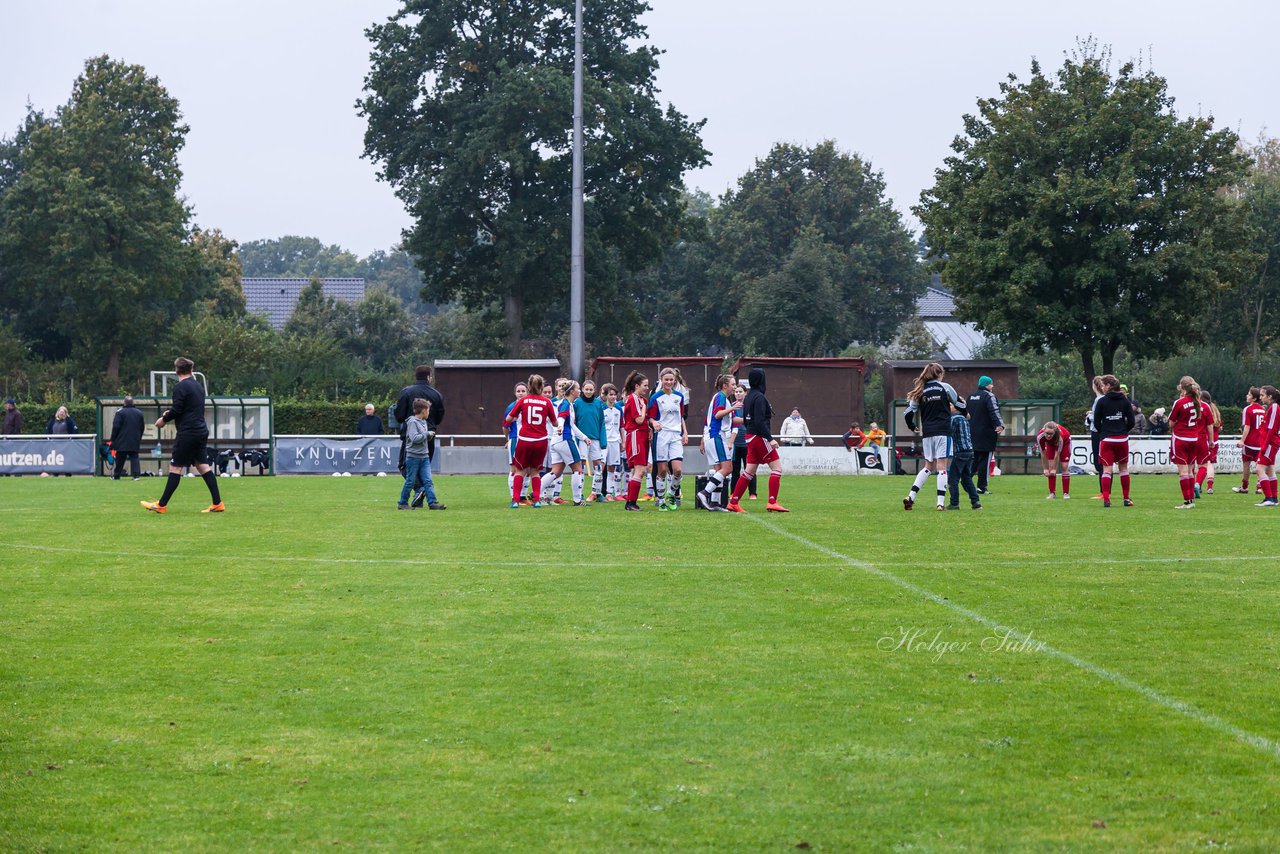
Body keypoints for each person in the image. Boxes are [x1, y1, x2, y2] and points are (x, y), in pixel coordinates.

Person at [140, 357, 224, 514]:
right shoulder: (198, 386)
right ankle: (217, 503)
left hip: (188, 432)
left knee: (175, 466)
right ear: (191, 370)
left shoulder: (180, 387)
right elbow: (189, 408)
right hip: (200, 430)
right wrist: (172, 413)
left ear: (176, 371)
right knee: (203, 466)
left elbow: (178, 409)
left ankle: (161, 505)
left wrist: (163, 419)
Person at [726, 366, 788, 512]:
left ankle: (733, 502)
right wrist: (770, 438)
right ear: (762, 380)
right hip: (759, 437)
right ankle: (772, 501)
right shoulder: (759, 397)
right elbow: (759, 421)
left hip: (749, 436)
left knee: (749, 472)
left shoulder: (748, 397)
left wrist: (751, 432)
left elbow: (747, 420)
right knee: (777, 469)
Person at [902, 362, 962, 511]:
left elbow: (908, 413)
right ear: (939, 374)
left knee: (928, 466)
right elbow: (958, 403)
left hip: (927, 433)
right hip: (943, 431)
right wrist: (966, 411)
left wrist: (911, 426)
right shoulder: (945, 387)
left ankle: (910, 497)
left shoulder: (920, 390)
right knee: (942, 467)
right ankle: (940, 503)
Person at [504, 374, 559, 508]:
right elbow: (555, 423)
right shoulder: (547, 402)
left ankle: (516, 501)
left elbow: (508, 419)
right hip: (541, 441)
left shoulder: (523, 401)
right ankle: (536, 500)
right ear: (542, 387)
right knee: (535, 471)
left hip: (525, 440)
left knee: (520, 471)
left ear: (528, 386)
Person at [696, 373, 741, 511]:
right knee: (728, 468)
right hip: (716, 436)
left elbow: (732, 420)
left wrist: (752, 420)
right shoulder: (721, 397)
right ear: (725, 385)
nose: (735, 387)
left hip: (712, 436)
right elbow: (717, 414)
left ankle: (714, 503)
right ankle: (704, 493)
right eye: (733, 384)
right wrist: (733, 408)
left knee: (719, 470)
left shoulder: (724, 399)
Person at [543, 380, 590, 506]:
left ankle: (538, 495)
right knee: (578, 469)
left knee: (556, 472)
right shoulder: (565, 405)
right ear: (572, 391)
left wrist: (584, 437)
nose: (579, 391)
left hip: (556, 441)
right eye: (578, 388)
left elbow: (572, 425)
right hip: (565, 439)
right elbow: (561, 418)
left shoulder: (569, 404)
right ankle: (577, 500)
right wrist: (560, 426)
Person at [648, 368, 689, 510]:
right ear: (661, 380)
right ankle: (660, 500)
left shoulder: (679, 396)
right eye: (666, 379)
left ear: (674, 381)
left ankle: (671, 494)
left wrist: (685, 432)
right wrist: (654, 423)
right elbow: (650, 417)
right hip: (662, 435)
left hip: (675, 435)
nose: (669, 382)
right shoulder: (655, 397)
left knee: (677, 470)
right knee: (663, 470)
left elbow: (681, 417)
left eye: (671, 380)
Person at [1169, 375, 1212, 510]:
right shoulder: (1198, 403)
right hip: (1194, 438)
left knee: (1183, 472)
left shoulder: (1180, 402)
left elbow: (1171, 422)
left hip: (1181, 438)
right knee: (1189, 470)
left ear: (1182, 388)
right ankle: (1191, 499)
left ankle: (1187, 501)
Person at [1092, 374, 1135, 508]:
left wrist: (1104, 432)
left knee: (1106, 470)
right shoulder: (1125, 401)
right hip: (1122, 439)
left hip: (1107, 439)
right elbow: (1132, 422)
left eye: (1104, 385)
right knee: (1123, 469)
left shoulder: (1102, 401)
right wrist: (1123, 430)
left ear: (1109, 386)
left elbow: (1097, 422)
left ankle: (1106, 499)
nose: (1102, 387)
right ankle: (1126, 499)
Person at [394, 365, 446, 472]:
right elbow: (439, 417)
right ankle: (423, 488)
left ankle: (420, 488)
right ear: (428, 377)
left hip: (410, 437)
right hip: (429, 436)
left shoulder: (406, 392)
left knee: (405, 467)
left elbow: (399, 415)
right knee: (423, 469)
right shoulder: (436, 395)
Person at [966, 375, 1004, 494]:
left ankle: (966, 481)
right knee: (985, 460)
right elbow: (994, 411)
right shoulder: (989, 396)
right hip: (986, 433)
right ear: (987, 385)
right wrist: (1000, 424)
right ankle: (982, 487)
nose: (992, 386)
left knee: (975, 459)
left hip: (972, 432)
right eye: (991, 384)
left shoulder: (970, 396)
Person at [620, 370, 651, 511]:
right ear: (637, 386)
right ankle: (631, 502)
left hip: (643, 435)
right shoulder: (633, 399)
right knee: (640, 470)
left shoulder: (642, 400)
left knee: (638, 470)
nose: (647, 388)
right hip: (635, 435)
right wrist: (644, 409)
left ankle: (631, 502)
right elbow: (639, 420)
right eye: (645, 385)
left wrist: (650, 428)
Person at [398, 398, 436, 509]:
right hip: (413, 457)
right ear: (423, 410)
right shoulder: (412, 422)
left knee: (428, 480)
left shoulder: (424, 422)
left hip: (424, 457)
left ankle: (432, 503)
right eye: (428, 410)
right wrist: (427, 434)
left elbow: (422, 438)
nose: (429, 413)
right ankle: (402, 503)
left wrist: (428, 436)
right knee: (410, 481)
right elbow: (414, 438)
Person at [573, 379, 608, 502]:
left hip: (595, 440)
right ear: (582, 389)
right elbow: (574, 422)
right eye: (586, 389)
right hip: (582, 439)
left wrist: (603, 441)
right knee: (581, 466)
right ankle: (580, 493)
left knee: (598, 466)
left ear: (594, 390)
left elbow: (602, 422)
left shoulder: (598, 404)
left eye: (591, 389)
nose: (588, 391)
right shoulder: (577, 403)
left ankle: (597, 492)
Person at [946, 403, 982, 510]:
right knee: (966, 479)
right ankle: (976, 502)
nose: (949, 407)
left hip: (960, 452)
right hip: (969, 451)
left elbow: (949, 432)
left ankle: (954, 503)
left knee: (953, 479)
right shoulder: (964, 419)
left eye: (951, 405)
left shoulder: (954, 419)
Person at [729, 382, 757, 501]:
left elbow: (753, 421)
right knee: (734, 470)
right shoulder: (731, 406)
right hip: (735, 442)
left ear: (745, 393)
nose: (738, 394)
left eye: (740, 391)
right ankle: (733, 493)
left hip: (748, 442)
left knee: (749, 468)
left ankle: (753, 493)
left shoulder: (750, 406)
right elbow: (731, 422)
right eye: (736, 391)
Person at [1235, 387, 1267, 494]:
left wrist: (1242, 440)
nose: (1247, 396)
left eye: (1249, 394)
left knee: (1246, 464)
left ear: (1254, 398)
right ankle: (1259, 487)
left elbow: (1247, 427)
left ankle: (1244, 487)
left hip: (1250, 443)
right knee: (1260, 465)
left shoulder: (1248, 409)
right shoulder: (1263, 409)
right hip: (1261, 442)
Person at [1253, 385, 1280, 507]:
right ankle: (1274, 499)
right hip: (1269, 443)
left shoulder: (1274, 407)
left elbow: (1271, 428)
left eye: (1263, 395)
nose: (1261, 397)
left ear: (1270, 396)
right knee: (1269, 470)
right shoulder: (1271, 407)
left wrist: (1265, 445)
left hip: (1270, 443)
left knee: (1259, 469)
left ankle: (1268, 497)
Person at [504, 381, 530, 504]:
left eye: (523, 391)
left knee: (528, 469)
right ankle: (514, 497)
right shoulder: (511, 407)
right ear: (515, 393)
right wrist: (508, 439)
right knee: (514, 469)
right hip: (516, 439)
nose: (520, 393)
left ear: (528, 392)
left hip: (529, 440)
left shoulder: (530, 405)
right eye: (518, 391)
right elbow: (505, 426)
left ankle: (523, 496)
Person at [1194, 390, 1223, 496]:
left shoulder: (1197, 407)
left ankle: (1195, 485)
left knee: (1194, 464)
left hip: (1200, 438)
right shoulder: (1214, 409)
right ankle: (1208, 486)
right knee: (1208, 464)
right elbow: (1219, 427)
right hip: (1212, 440)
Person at [109, 396, 145, 480]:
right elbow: (142, 427)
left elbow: (116, 427)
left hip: (122, 440)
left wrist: (113, 439)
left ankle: (117, 475)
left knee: (120, 457)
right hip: (134, 439)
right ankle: (136, 475)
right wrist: (139, 437)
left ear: (124, 403)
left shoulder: (120, 412)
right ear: (133, 403)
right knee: (134, 456)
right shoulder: (139, 413)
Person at [1036, 421, 1073, 499]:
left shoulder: (1060, 438)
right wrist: (1045, 469)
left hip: (1065, 442)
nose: (1048, 436)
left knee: (1064, 466)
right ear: (1044, 429)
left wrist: (1054, 469)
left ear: (1055, 432)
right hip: (1050, 444)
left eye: (1051, 434)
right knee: (1050, 466)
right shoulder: (1040, 436)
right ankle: (1052, 493)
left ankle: (1066, 493)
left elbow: (1057, 455)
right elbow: (1043, 453)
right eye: (1047, 433)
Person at [600, 383, 623, 500]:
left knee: (611, 467)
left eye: (614, 395)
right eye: (610, 395)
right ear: (605, 396)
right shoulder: (601, 408)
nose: (613, 397)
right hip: (604, 441)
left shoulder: (619, 409)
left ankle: (609, 492)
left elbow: (621, 427)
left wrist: (623, 442)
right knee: (600, 466)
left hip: (615, 441)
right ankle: (597, 491)